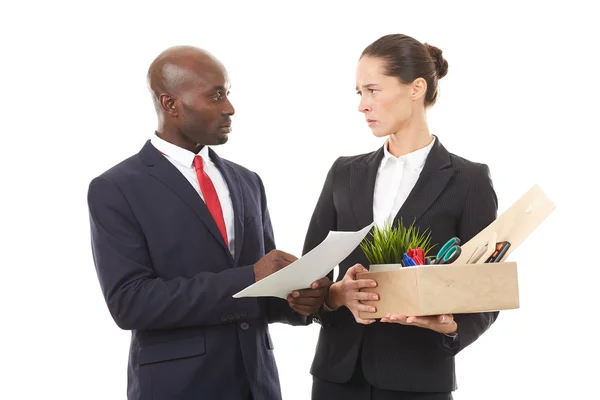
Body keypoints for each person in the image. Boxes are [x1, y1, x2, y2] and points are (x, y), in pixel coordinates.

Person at [87, 45, 329, 400]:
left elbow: (262, 291)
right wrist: (250, 277)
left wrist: (299, 300)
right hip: (179, 387)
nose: (229, 107)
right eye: (215, 96)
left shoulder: (248, 181)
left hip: (257, 384)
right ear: (170, 104)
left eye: (227, 93)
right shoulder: (116, 188)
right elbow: (130, 303)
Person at [303, 34, 499, 399]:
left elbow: (485, 289)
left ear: (416, 88)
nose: (363, 105)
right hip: (337, 377)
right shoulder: (344, 172)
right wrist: (335, 296)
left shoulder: (469, 180)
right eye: (358, 92)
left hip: (418, 378)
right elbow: (308, 278)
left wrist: (449, 325)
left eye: (373, 90)